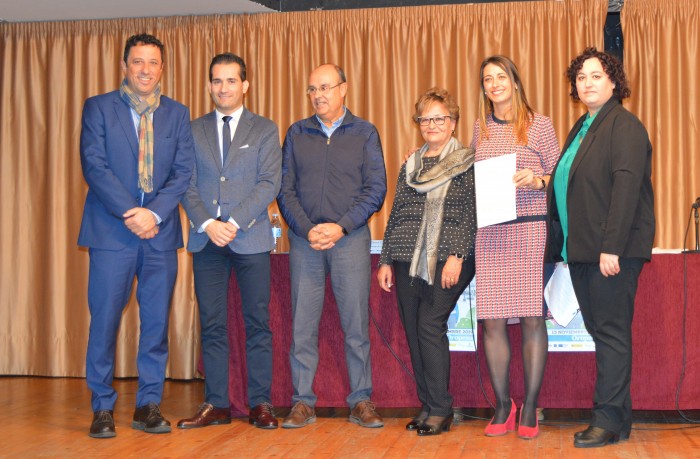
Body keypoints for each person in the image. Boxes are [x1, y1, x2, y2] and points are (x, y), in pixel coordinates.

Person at [78, 33, 194, 438]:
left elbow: (182, 172)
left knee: (156, 323)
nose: (145, 69)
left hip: (160, 235)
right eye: (138, 62)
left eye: (153, 62)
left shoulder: (177, 114)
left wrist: (154, 214)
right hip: (113, 232)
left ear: (162, 68)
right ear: (125, 65)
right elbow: (94, 166)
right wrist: (132, 213)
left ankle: (148, 404)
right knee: (105, 321)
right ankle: (102, 406)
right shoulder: (98, 108)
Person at [546, 47, 655, 448]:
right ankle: (617, 420)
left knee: (609, 334)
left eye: (596, 75)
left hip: (612, 252)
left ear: (613, 81)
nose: (587, 83)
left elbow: (626, 189)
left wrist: (611, 247)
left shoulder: (623, 125)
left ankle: (606, 420)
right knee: (602, 331)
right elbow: (567, 185)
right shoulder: (583, 126)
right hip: (582, 250)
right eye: (581, 78)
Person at [277, 63, 387, 429]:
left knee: (356, 325)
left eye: (325, 87)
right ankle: (302, 401)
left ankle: (361, 400)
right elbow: (284, 189)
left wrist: (339, 227)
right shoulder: (297, 133)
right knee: (302, 326)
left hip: (349, 240)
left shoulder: (365, 132)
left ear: (344, 89)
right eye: (312, 89)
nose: (318, 95)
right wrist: (308, 229)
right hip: (304, 241)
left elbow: (376, 189)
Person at [179, 53, 282, 430]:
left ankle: (260, 403)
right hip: (207, 242)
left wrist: (233, 222)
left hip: (249, 237)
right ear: (209, 85)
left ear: (245, 85)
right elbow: (184, 184)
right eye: (217, 81)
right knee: (212, 324)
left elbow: (269, 182)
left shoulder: (265, 129)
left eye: (231, 81)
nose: (223, 88)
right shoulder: (191, 130)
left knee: (258, 323)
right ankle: (217, 404)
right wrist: (208, 222)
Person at [377, 88, 476, 436]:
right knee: (414, 331)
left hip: (446, 257)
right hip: (405, 257)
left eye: (440, 118)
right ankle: (428, 404)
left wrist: (457, 257)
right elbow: (397, 213)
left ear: (453, 123)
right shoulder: (412, 163)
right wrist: (386, 259)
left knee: (430, 327)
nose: (432, 125)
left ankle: (441, 408)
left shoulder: (467, 161)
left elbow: (469, 215)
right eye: (425, 119)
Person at [471, 55, 560, 439]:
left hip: (529, 232)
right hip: (490, 234)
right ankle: (503, 404)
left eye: (500, 76)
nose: (494, 84)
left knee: (531, 319)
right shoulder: (480, 129)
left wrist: (538, 180)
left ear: (514, 81)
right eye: (487, 79)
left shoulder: (540, 125)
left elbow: (561, 175)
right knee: (491, 321)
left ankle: (531, 406)